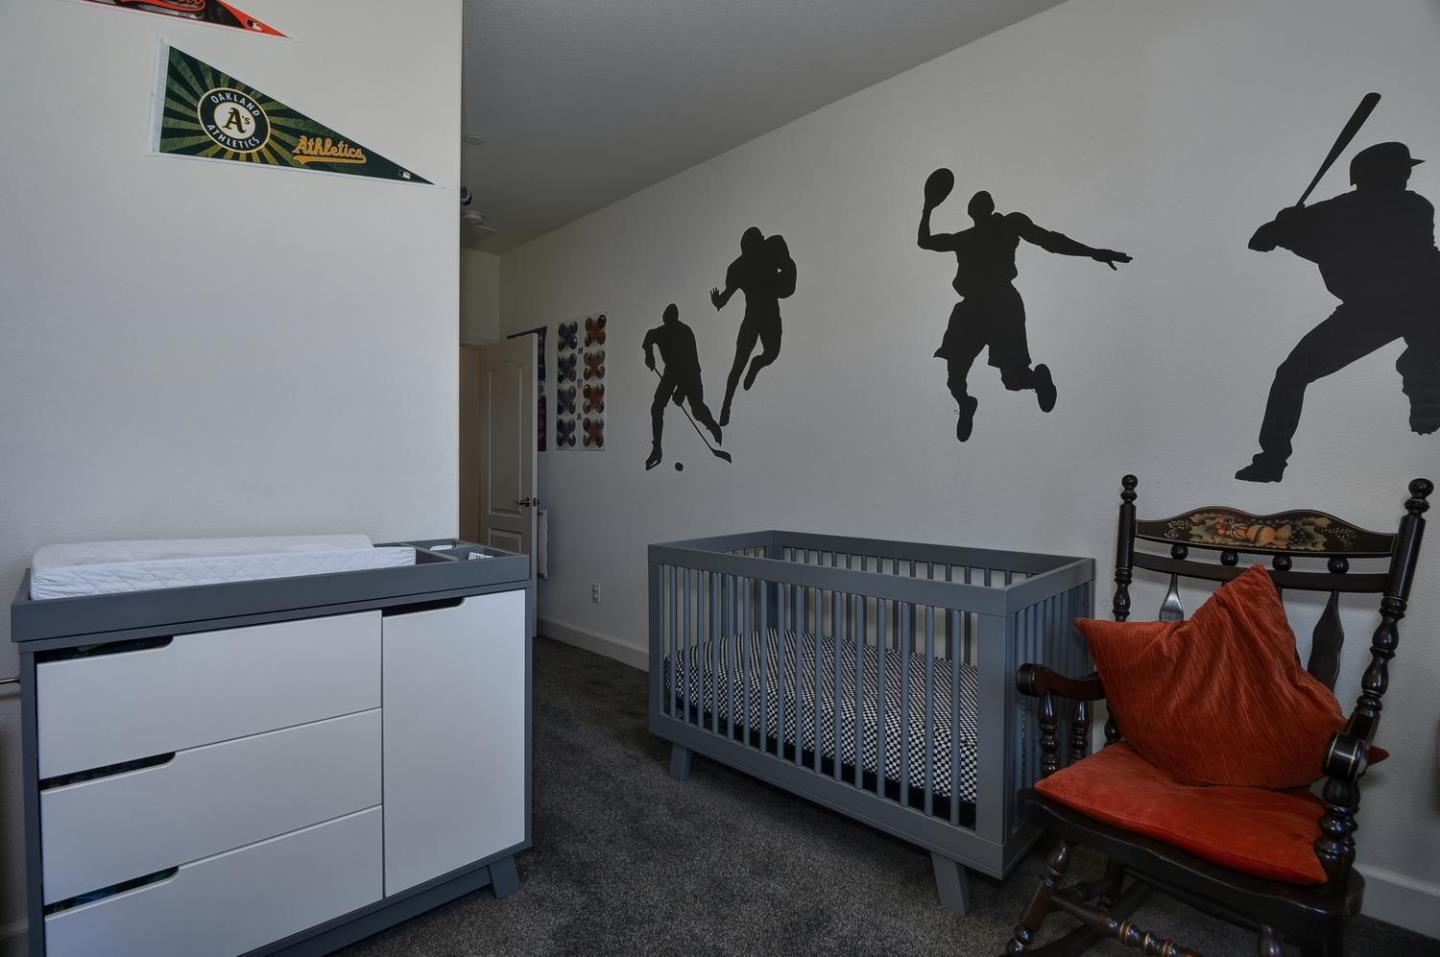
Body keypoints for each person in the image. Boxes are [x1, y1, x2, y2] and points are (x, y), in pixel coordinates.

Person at [1237, 141, 1440, 482]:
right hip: (1376, 308)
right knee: (1292, 374)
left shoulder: (1411, 206)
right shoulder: (1340, 209)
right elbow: (1261, 240)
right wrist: (1278, 228)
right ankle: (1271, 460)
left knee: (1423, 356)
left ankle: (1427, 390)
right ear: (1374, 175)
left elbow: (1345, 252)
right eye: (1399, 170)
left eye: (1403, 171)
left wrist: (1287, 234)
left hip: (1422, 297)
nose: (1405, 176)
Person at [919, 183, 1130, 441]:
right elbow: (925, 242)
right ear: (970, 212)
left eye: (982, 202)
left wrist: (1093, 252)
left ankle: (1037, 381)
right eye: (975, 204)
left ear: (989, 208)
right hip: (971, 308)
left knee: (1013, 380)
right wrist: (928, 207)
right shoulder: (963, 238)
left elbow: (1050, 240)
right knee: (954, 379)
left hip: (1001, 303)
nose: (978, 206)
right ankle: (966, 404)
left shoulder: (1009, 225)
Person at [711, 227, 797, 426]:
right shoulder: (739, 267)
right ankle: (726, 405)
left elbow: (787, 273)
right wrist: (717, 301)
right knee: (738, 364)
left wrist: (784, 276)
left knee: (771, 353)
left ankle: (757, 363)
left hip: (767, 314)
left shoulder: (767, 251)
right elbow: (725, 298)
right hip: (754, 317)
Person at [643, 304, 722, 471]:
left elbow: (690, 363)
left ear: (675, 319)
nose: (668, 324)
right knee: (657, 407)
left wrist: (681, 391)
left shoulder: (685, 332)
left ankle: (713, 426)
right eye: (667, 321)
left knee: (697, 410)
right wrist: (649, 355)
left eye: (671, 320)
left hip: (691, 373)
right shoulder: (663, 331)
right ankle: (657, 448)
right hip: (672, 371)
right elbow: (649, 337)